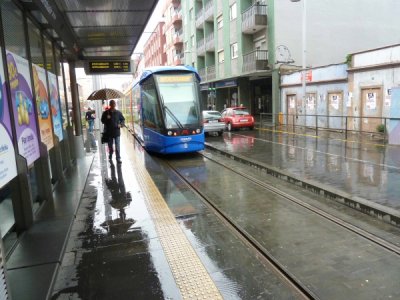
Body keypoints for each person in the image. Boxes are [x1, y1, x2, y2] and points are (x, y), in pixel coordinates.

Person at [101, 100, 125, 164]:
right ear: (110, 105)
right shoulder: (106, 113)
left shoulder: (118, 113)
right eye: (111, 104)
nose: (113, 105)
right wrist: (107, 118)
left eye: (114, 104)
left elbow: (123, 120)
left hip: (116, 132)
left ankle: (118, 158)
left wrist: (121, 124)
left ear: (115, 105)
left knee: (117, 146)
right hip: (109, 133)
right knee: (110, 146)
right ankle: (110, 155)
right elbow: (102, 121)